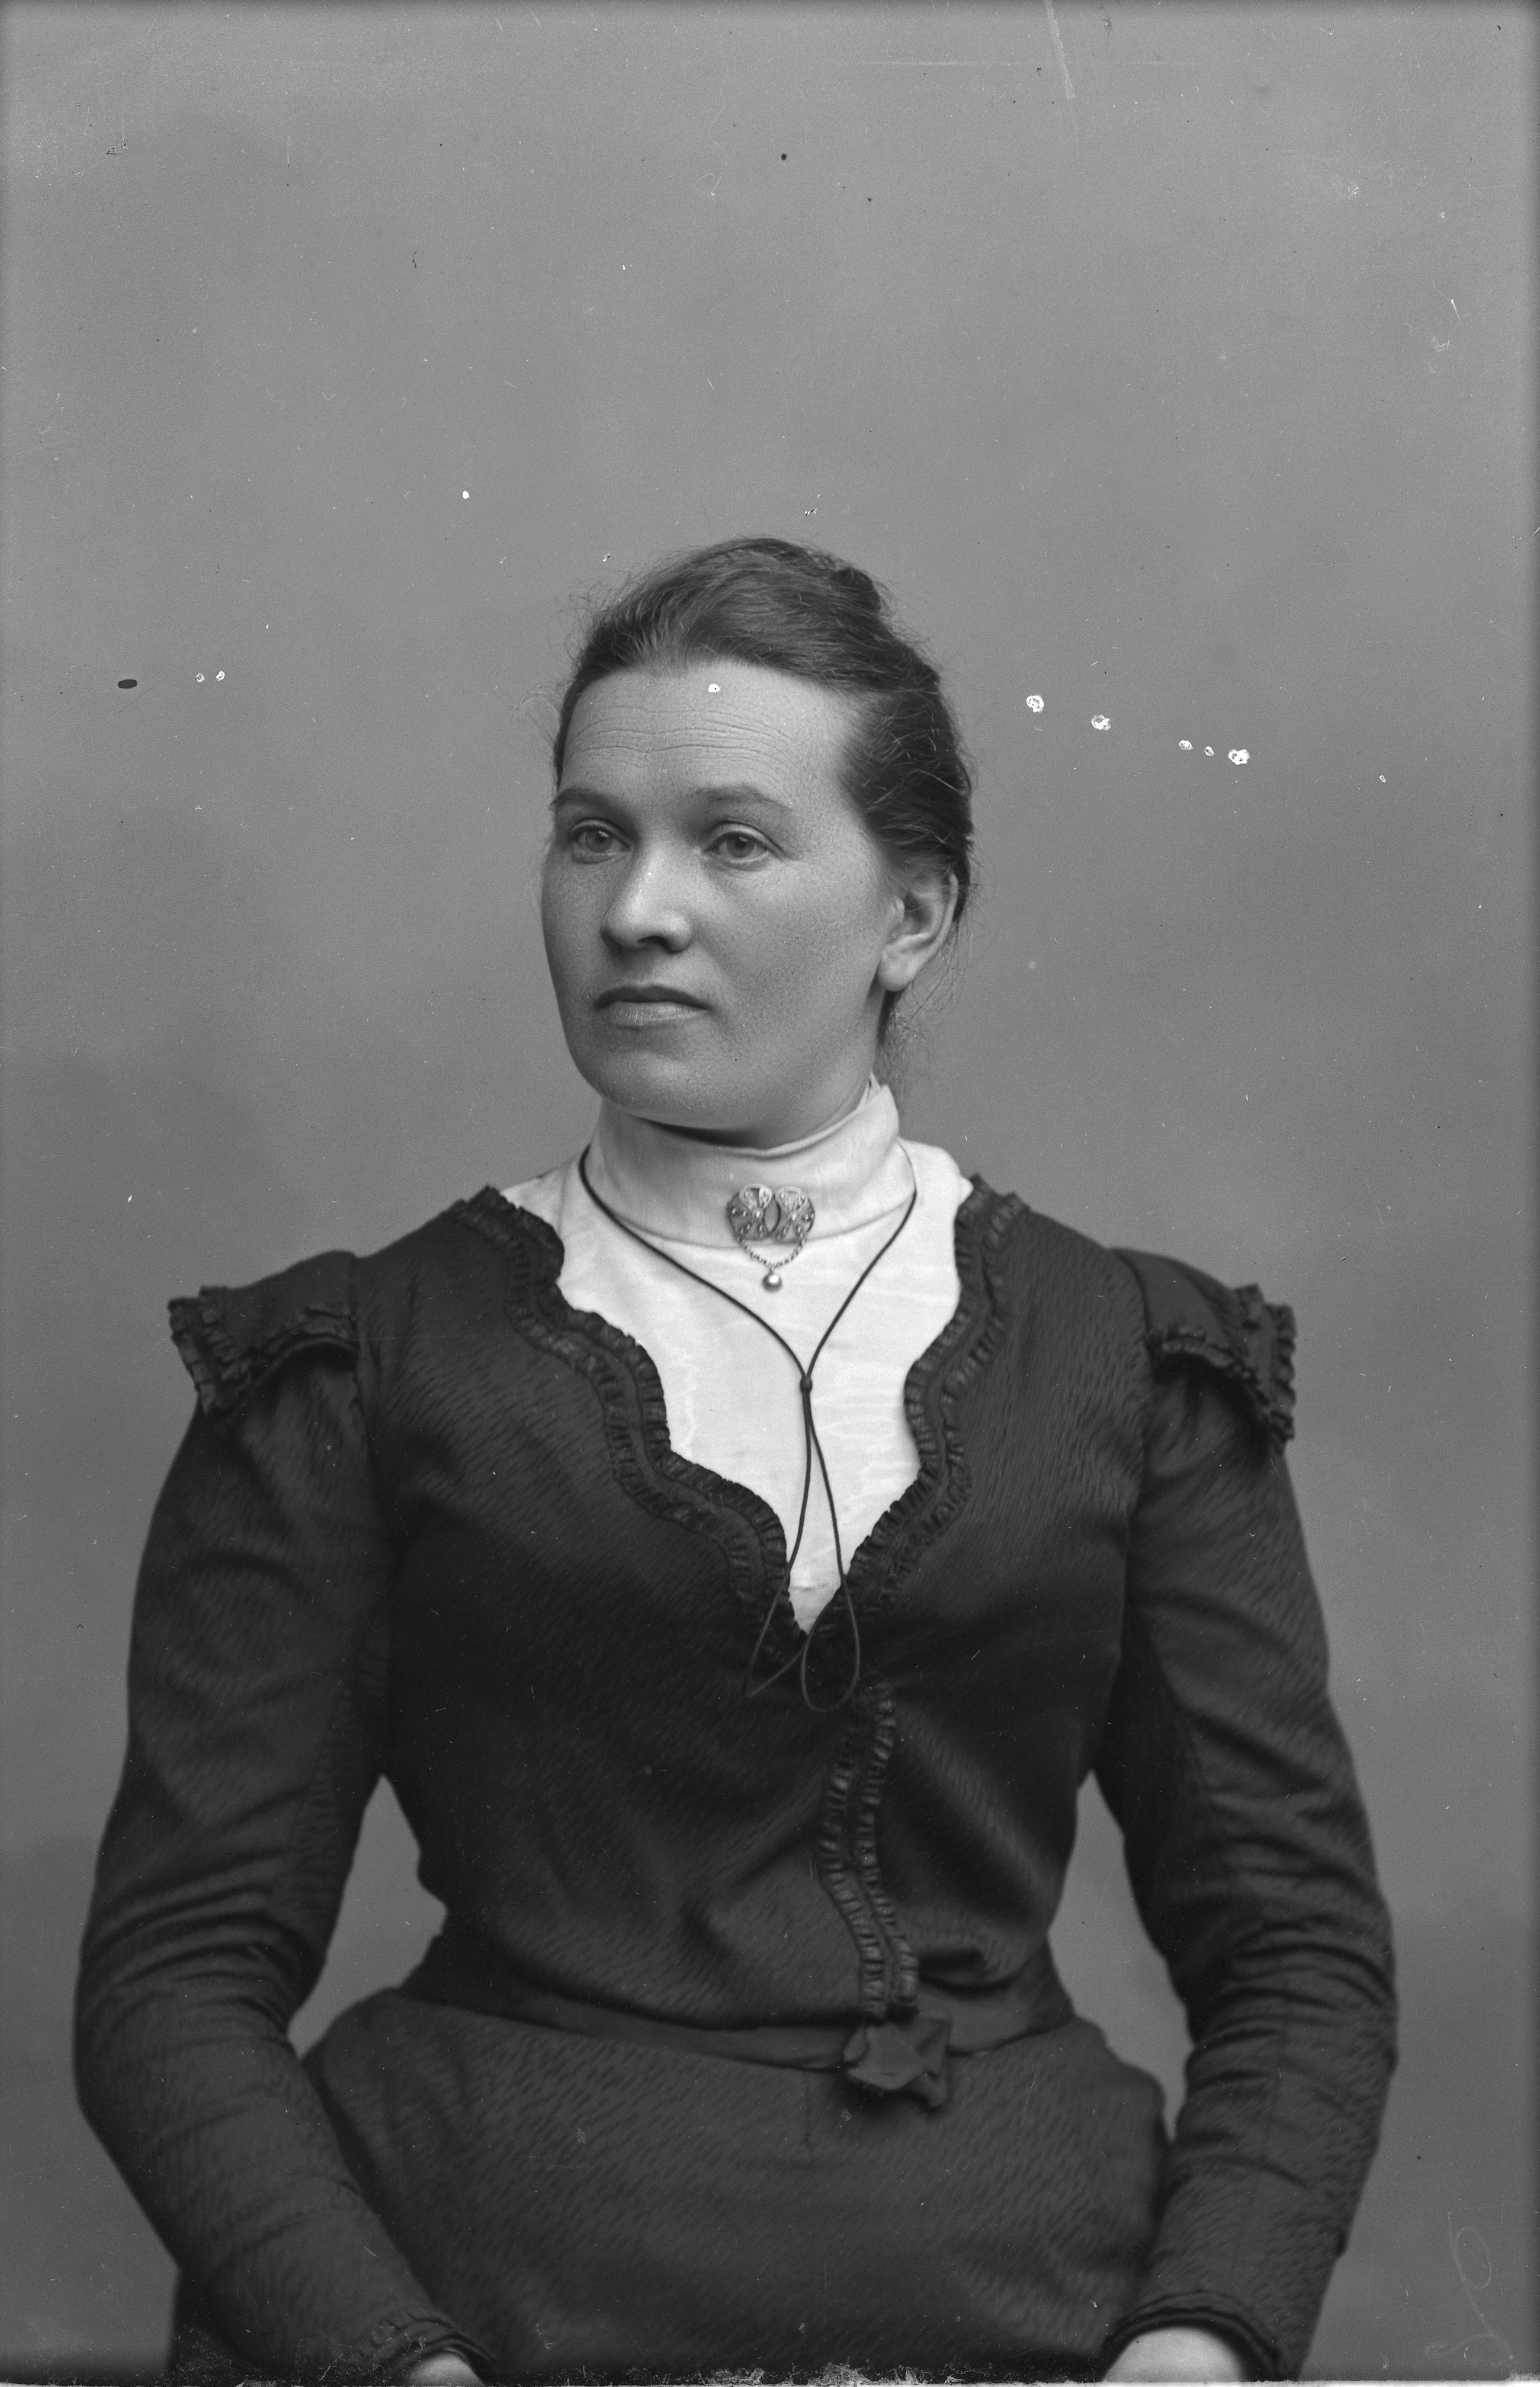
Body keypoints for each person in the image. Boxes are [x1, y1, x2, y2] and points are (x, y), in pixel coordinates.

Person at [75, 537, 1395, 2386]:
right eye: (591, 836)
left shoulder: (1127, 1360)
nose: (637, 910)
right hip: (471, 2310)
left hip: (1044, 2322)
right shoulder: (359, 1365)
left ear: (911, 916)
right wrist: (393, 2365)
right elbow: (174, 1980)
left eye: (734, 842)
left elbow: (1297, 1955)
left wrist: (1198, 2344)